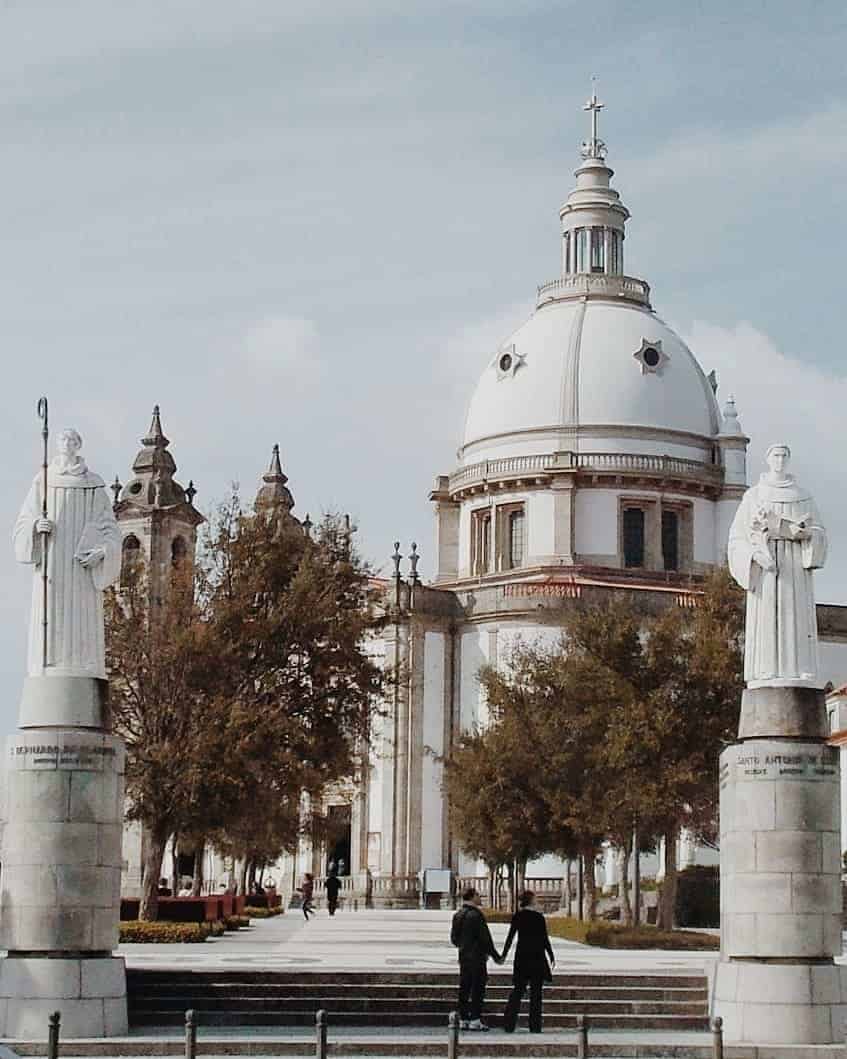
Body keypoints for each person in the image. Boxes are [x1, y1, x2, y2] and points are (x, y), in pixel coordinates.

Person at [501, 891, 555, 1034]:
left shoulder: (518, 916)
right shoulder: (539, 918)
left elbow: (510, 937)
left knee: (518, 991)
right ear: (531, 901)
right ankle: (535, 1026)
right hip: (537, 958)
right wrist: (551, 955)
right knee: (536, 994)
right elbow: (544, 939)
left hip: (522, 958)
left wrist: (503, 955)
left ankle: (509, 1024)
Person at [450, 886, 502, 1031]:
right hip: (477, 958)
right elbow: (486, 939)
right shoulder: (477, 915)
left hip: (464, 957)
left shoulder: (458, 915)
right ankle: (475, 1019)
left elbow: (454, 938)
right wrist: (496, 956)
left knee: (464, 987)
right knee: (478, 988)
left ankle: (464, 1018)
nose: (479, 897)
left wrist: (464, 946)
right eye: (477, 895)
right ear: (472, 896)